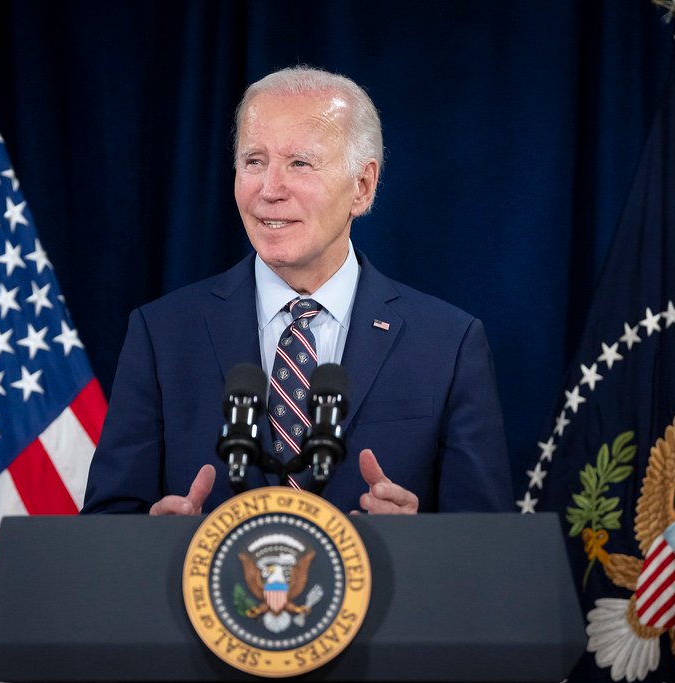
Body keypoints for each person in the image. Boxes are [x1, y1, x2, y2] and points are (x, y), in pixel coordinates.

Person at [82, 66, 512, 516]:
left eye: (299, 163)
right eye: (254, 161)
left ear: (362, 188)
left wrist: (416, 544)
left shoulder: (448, 344)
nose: (269, 189)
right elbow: (106, 528)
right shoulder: (162, 334)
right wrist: (157, 543)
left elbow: (486, 549)